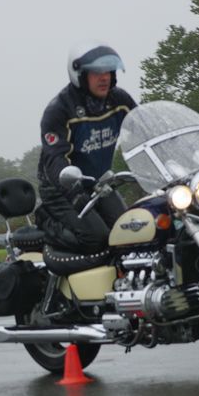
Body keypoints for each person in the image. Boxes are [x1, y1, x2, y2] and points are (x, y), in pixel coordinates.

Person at [35, 41, 137, 254]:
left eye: (108, 71)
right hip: (61, 188)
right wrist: (73, 191)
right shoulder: (59, 110)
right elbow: (55, 159)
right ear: (79, 74)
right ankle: (45, 224)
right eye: (96, 72)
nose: (104, 77)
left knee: (130, 232)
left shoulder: (119, 100)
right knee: (96, 238)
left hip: (99, 184)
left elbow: (144, 128)